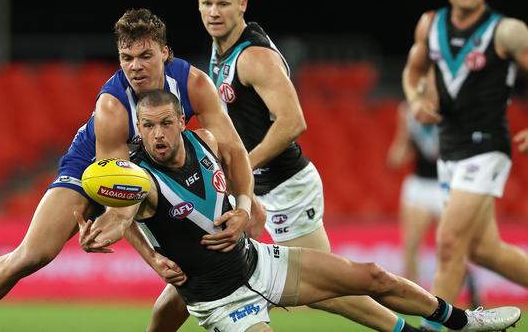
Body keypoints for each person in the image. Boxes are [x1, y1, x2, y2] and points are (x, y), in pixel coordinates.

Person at [0, 8, 260, 332]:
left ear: (165, 53)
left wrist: (244, 206)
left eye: (145, 56)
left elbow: (231, 149)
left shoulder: (193, 84)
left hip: (153, 170)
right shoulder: (112, 106)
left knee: (231, 178)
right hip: (94, 169)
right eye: (126, 58)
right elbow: (120, 191)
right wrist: (152, 258)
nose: (135, 66)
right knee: (33, 254)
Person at [76, 89, 521, 332]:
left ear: (181, 122)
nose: (157, 134)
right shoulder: (138, 181)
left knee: (372, 276)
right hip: (225, 302)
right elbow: (120, 216)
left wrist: (247, 205)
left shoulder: (206, 142)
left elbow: (236, 171)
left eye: (166, 123)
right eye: (147, 126)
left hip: (261, 263)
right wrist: (101, 232)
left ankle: (463, 321)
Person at [147, 0, 424, 331]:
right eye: (206, 3)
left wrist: (240, 168)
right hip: (258, 190)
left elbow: (293, 122)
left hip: (285, 187)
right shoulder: (220, 50)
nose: (214, 12)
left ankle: (411, 328)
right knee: (198, 274)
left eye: (223, 3)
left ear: (242, 4)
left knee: (331, 289)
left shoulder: (253, 57)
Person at [401, 0, 528, 330]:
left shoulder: (507, 31)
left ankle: (435, 327)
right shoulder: (429, 25)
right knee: (483, 250)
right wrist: (414, 100)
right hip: (450, 150)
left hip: (487, 148)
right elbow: (412, 71)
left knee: (449, 241)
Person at [386, 100, 480, 307]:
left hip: (446, 185)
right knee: (411, 245)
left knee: (453, 246)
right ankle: (413, 299)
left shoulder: (451, 107)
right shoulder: (409, 112)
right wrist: (397, 153)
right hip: (419, 185)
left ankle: (469, 293)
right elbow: (402, 147)